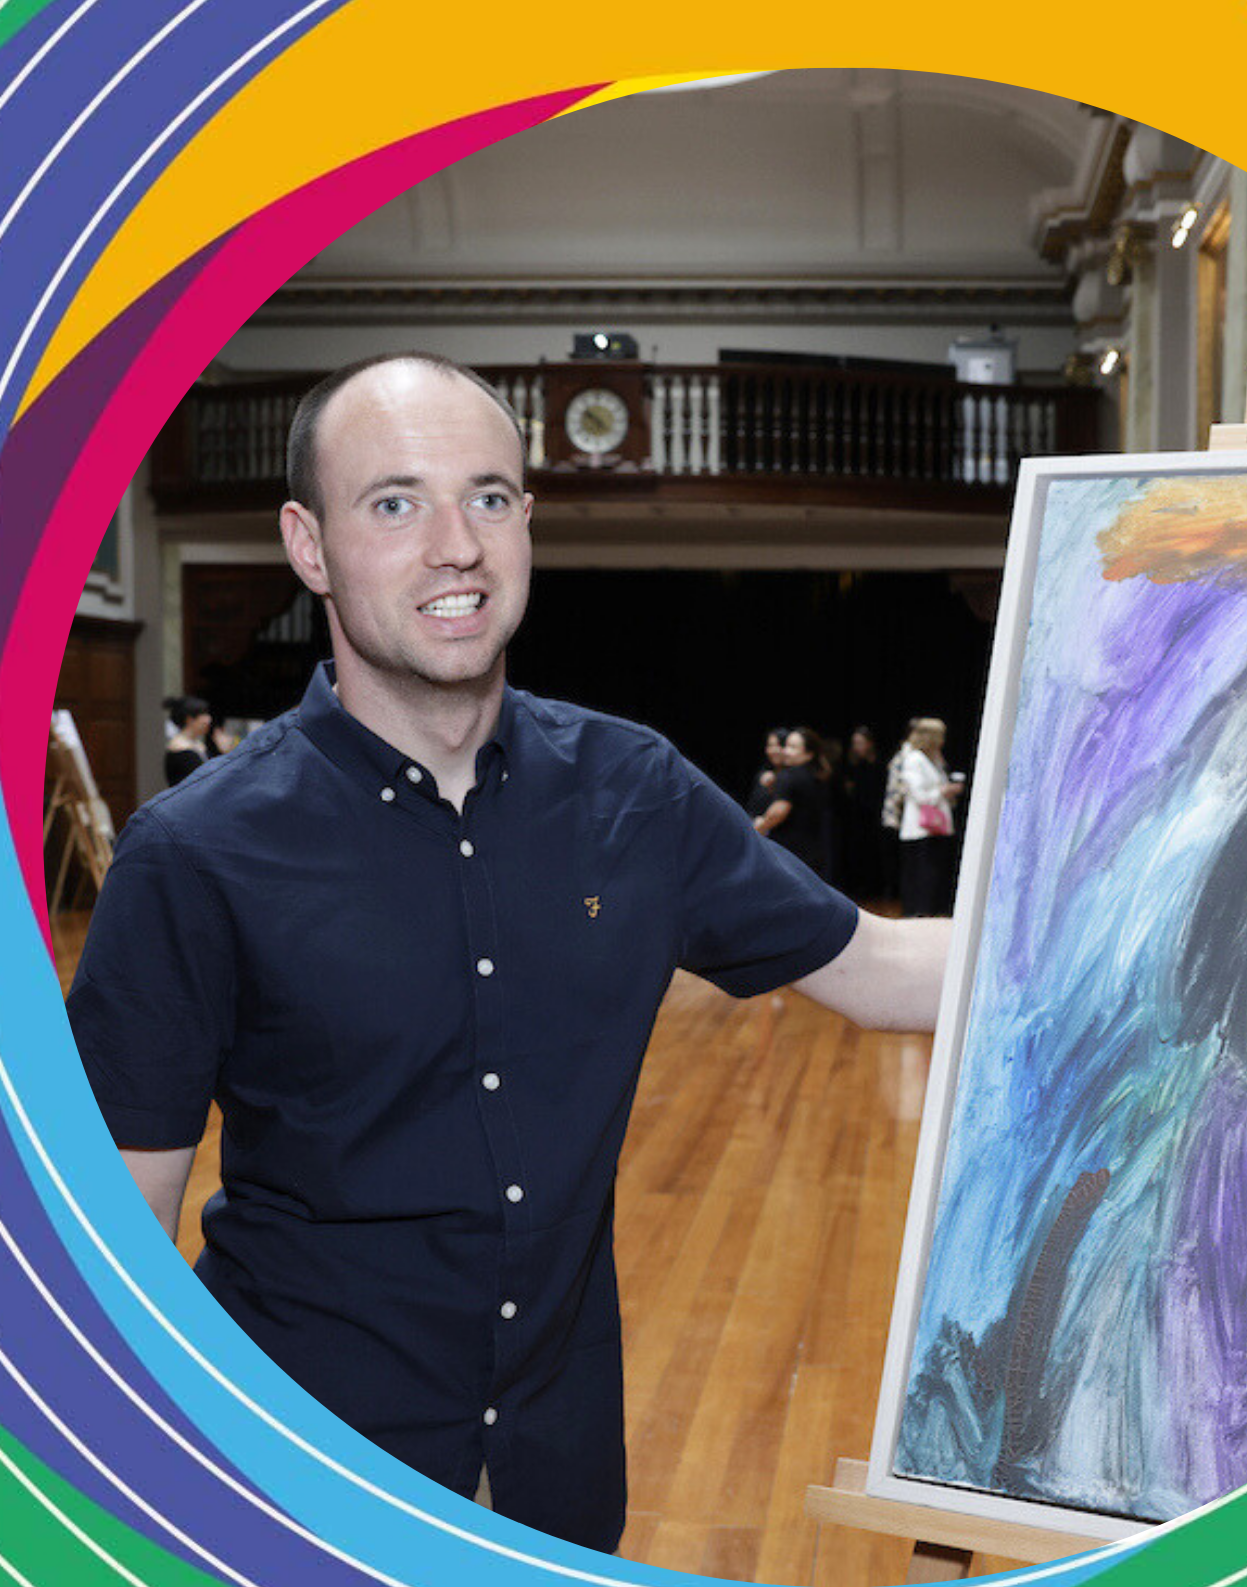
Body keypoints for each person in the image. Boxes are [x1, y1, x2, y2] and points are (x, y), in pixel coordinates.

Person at [65, 352, 950, 1553]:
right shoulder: (196, 854)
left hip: (557, 1469)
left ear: (526, 525)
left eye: (486, 497)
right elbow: (118, 1244)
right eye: (394, 503)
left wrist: (1156, 925)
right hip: (303, 1474)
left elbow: (885, 973)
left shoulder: (633, 790)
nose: (455, 546)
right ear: (308, 546)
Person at [895, 716, 962, 918]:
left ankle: (929, 913)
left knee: (933, 876)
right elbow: (919, 795)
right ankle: (918, 915)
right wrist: (944, 791)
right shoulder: (914, 759)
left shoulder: (931, 759)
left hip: (933, 828)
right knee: (922, 877)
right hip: (920, 828)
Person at [752, 726, 829, 882]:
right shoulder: (819, 776)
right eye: (786, 746)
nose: (786, 751)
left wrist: (759, 826)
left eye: (793, 747)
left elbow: (779, 811)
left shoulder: (789, 776)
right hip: (814, 853)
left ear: (808, 754)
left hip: (790, 853)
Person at [837, 726, 888, 901]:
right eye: (854, 743)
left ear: (870, 743)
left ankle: (879, 887)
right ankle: (861, 887)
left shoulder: (881, 764)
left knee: (876, 852)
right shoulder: (852, 765)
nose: (856, 746)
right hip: (856, 817)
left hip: (875, 816)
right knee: (858, 852)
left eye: (860, 742)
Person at [161, 695, 213, 787]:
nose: (209, 719)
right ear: (190, 719)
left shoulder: (197, 744)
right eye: (204, 715)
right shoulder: (179, 749)